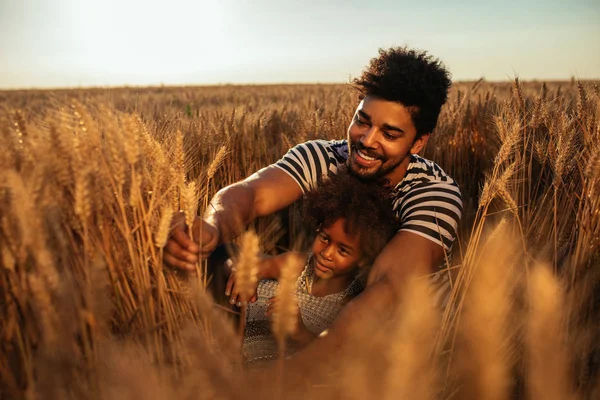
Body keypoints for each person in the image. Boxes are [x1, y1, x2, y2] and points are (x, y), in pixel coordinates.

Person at [164, 46, 462, 374]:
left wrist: (295, 377)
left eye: (389, 134)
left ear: (419, 142)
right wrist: (211, 228)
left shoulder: (434, 193)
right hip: (302, 295)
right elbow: (251, 193)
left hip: (366, 332)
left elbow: (388, 285)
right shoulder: (322, 156)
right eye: (362, 122)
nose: (367, 140)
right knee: (221, 257)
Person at [226, 170, 399, 363]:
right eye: (324, 238)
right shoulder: (300, 266)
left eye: (343, 250)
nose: (327, 253)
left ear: (364, 259)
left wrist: (300, 332)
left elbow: (337, 361)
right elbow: (259, 267)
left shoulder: (353, 302)